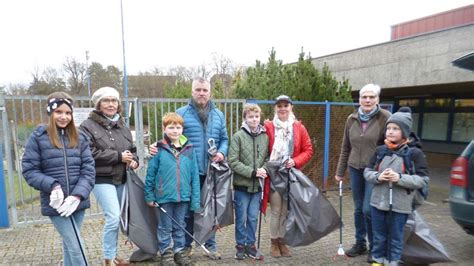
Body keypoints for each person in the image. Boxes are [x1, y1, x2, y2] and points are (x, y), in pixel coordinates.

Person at [150, 77, 228, 259]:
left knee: (210, 210)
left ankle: (211, 245)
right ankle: (186, 246)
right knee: (186, 213)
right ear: (192, 91)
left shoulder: (219, 115)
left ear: (210, 92)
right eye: (198, 90)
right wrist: (156, 145)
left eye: (205, 90)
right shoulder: (181, 113)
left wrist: (222, 153)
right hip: (186, 173)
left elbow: (224, 139)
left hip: (211, 171)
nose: (201, 93)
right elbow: (170, 136)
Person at [22, 92, 95, 266]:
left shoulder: (81, 138)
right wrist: (53, 186)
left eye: (68, 113)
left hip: (77, 203)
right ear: (50, 113)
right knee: (76, 246)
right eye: (59, 112)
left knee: (70, 245)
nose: (64, 117)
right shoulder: (38, 137)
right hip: (55, 203)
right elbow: (30, 170)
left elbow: (89, 170)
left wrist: (77, 195)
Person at [80, 87, 138, 266]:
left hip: (121, 178)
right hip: (101, 178)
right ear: (98, 104)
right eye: (106, 101)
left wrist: (134, 161)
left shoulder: (123, 126)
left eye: (114, 101)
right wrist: (119, 157)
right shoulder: (87, 126)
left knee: (119, 218)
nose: (111, 104)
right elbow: (88, 153)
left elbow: (133, 151)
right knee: (113, 217)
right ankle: (108, 259)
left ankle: (113, 256)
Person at [364, 107, 429, 266]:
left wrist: (399, 178)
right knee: (378, 236)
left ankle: (392, 262)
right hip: (377, 203)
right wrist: (378, 176)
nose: (390, 132)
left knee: (395, 238)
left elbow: (422, 180)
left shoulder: (415, 154)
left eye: (396, 128)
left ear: (405, 132)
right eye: (388, 128)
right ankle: (377, 262)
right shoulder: (380, 151)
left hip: (400, 206)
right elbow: (367, 172)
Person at [334, 84, 391, 262]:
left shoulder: (385, 118)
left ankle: (376, 247)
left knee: (368, 209)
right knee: (358, 209)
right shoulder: (351, 119)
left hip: (374, 171)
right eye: (364, 97)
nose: (367, 100)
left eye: (371, 97)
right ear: (359, 100)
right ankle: (360, 243)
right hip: (354, 169)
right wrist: (340, 171)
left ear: (378, 100)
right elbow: (345, 147)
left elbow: (389, 146)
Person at [144, 112, 200, 266]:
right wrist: (149, 195)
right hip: (164, 196)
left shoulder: (189, 149)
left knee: (180, 225)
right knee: (165, 226)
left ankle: (179, 251)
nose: (175, 131)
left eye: (178, 127)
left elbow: (194, 175)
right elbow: (151, 173)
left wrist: (195, 199)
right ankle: (165, 252)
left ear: (182, 129)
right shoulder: (159, 148)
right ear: (164, 128)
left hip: (183, 196)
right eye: (171, 127)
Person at [263, 95, 313, 258]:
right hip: (274, 174)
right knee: (276, 210)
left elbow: (308, 150)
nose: (283, 108)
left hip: (291, 174)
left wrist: (295, 161)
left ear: (291, 107)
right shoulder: (268, 126)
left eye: (286, 105)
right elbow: (261, 149)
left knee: (286, 211)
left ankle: (282, 241)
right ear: (275, 108)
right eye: (279, 106)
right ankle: (273, 242)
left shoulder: (299, 127)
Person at [228, 103, 268, 260]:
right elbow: (233, 161)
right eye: (250, 116)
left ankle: (251, 245)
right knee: (241, 218)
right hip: (241, 187)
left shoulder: (265, 137)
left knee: (252, 217)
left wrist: (264, 169)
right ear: (245, 118)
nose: (254, 119)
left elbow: (267, 158)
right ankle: (240, 246)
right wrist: (252, 172)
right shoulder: (238, 136)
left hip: (257, 187)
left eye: (257, 116)